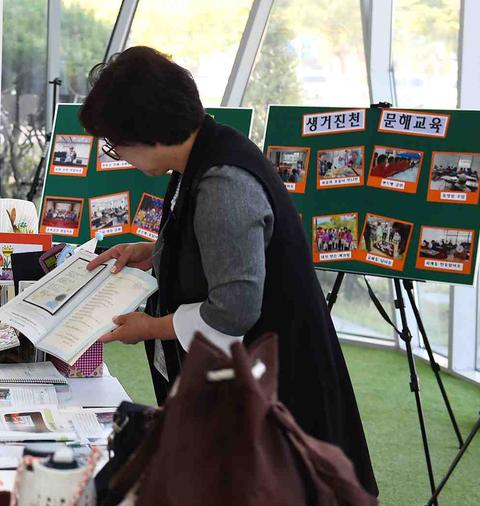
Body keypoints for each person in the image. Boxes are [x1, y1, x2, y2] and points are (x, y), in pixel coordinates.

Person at [82, 46, 377, 496]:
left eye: (115, 143)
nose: (117, 154)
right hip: (243, 377)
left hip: (274, 387)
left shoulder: (224, 184)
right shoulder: (201, 153)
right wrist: (151, 251)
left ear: (148, 133)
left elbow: (233, 308)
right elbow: (206, 246)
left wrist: (149, 327)